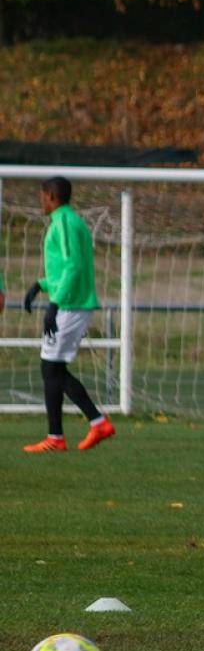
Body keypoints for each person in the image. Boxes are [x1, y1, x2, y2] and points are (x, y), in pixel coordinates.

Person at [22, 177, 115, 453]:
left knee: (51, 368)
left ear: (51, 195)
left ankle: (85, 427)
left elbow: (73, 266)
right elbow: (66, 268)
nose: (41, 201)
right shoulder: (72, 222)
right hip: (73, 302)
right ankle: (65, 434)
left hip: (71, 305)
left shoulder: (63, 222)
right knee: (53, 368)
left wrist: (55, 304)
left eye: (42, 196)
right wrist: (41, 285)